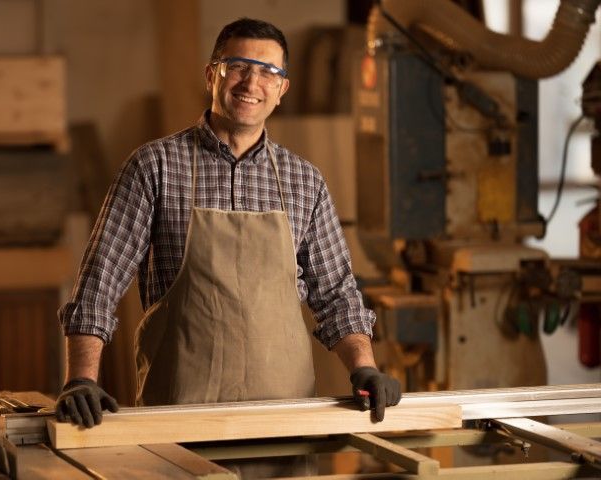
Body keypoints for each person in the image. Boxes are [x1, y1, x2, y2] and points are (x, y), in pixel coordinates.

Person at [55, 17, 400, 430]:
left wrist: (364, 367)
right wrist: (80, 379)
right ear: (211, 75)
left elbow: (337, 295)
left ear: (281, 89)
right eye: (238, 66)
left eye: (268, 72)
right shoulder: (155, 167)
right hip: (181, 417)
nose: (251, 83)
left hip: (284, 422)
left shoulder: (304, 181)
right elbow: (99, 283)